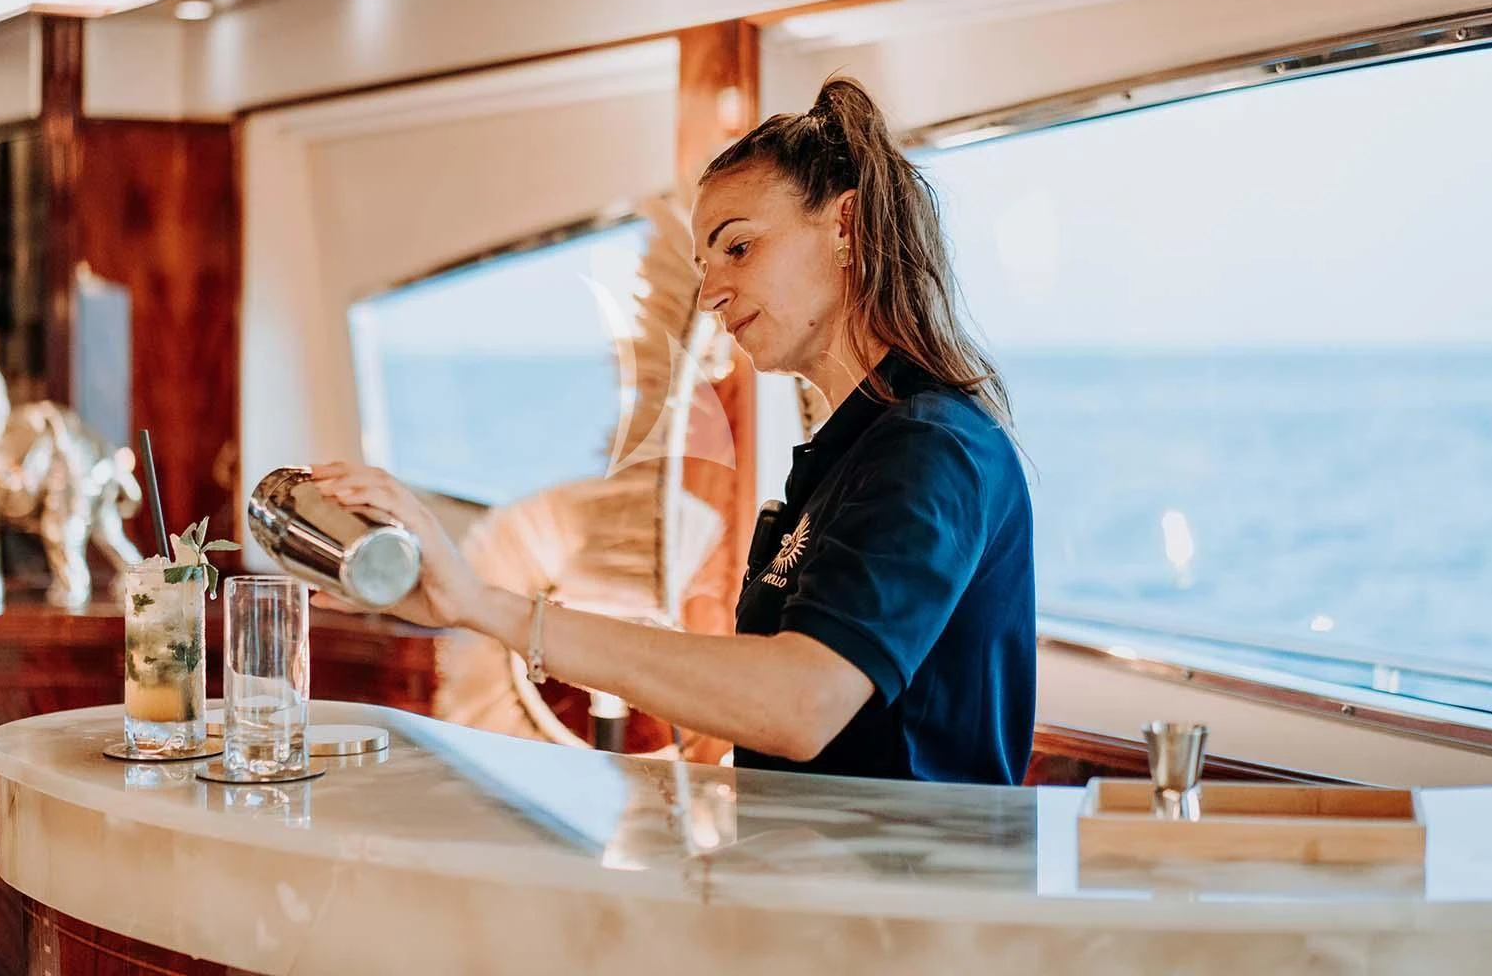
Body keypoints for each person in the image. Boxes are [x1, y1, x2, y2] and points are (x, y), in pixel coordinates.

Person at [314, 76, 1035, 783]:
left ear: (846, 227)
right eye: (703, 265)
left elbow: (801, 703)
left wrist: (482, 605)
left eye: (738, 248)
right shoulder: (845, 456)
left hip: (903, 866)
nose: (711, 293)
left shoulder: (931, 449)